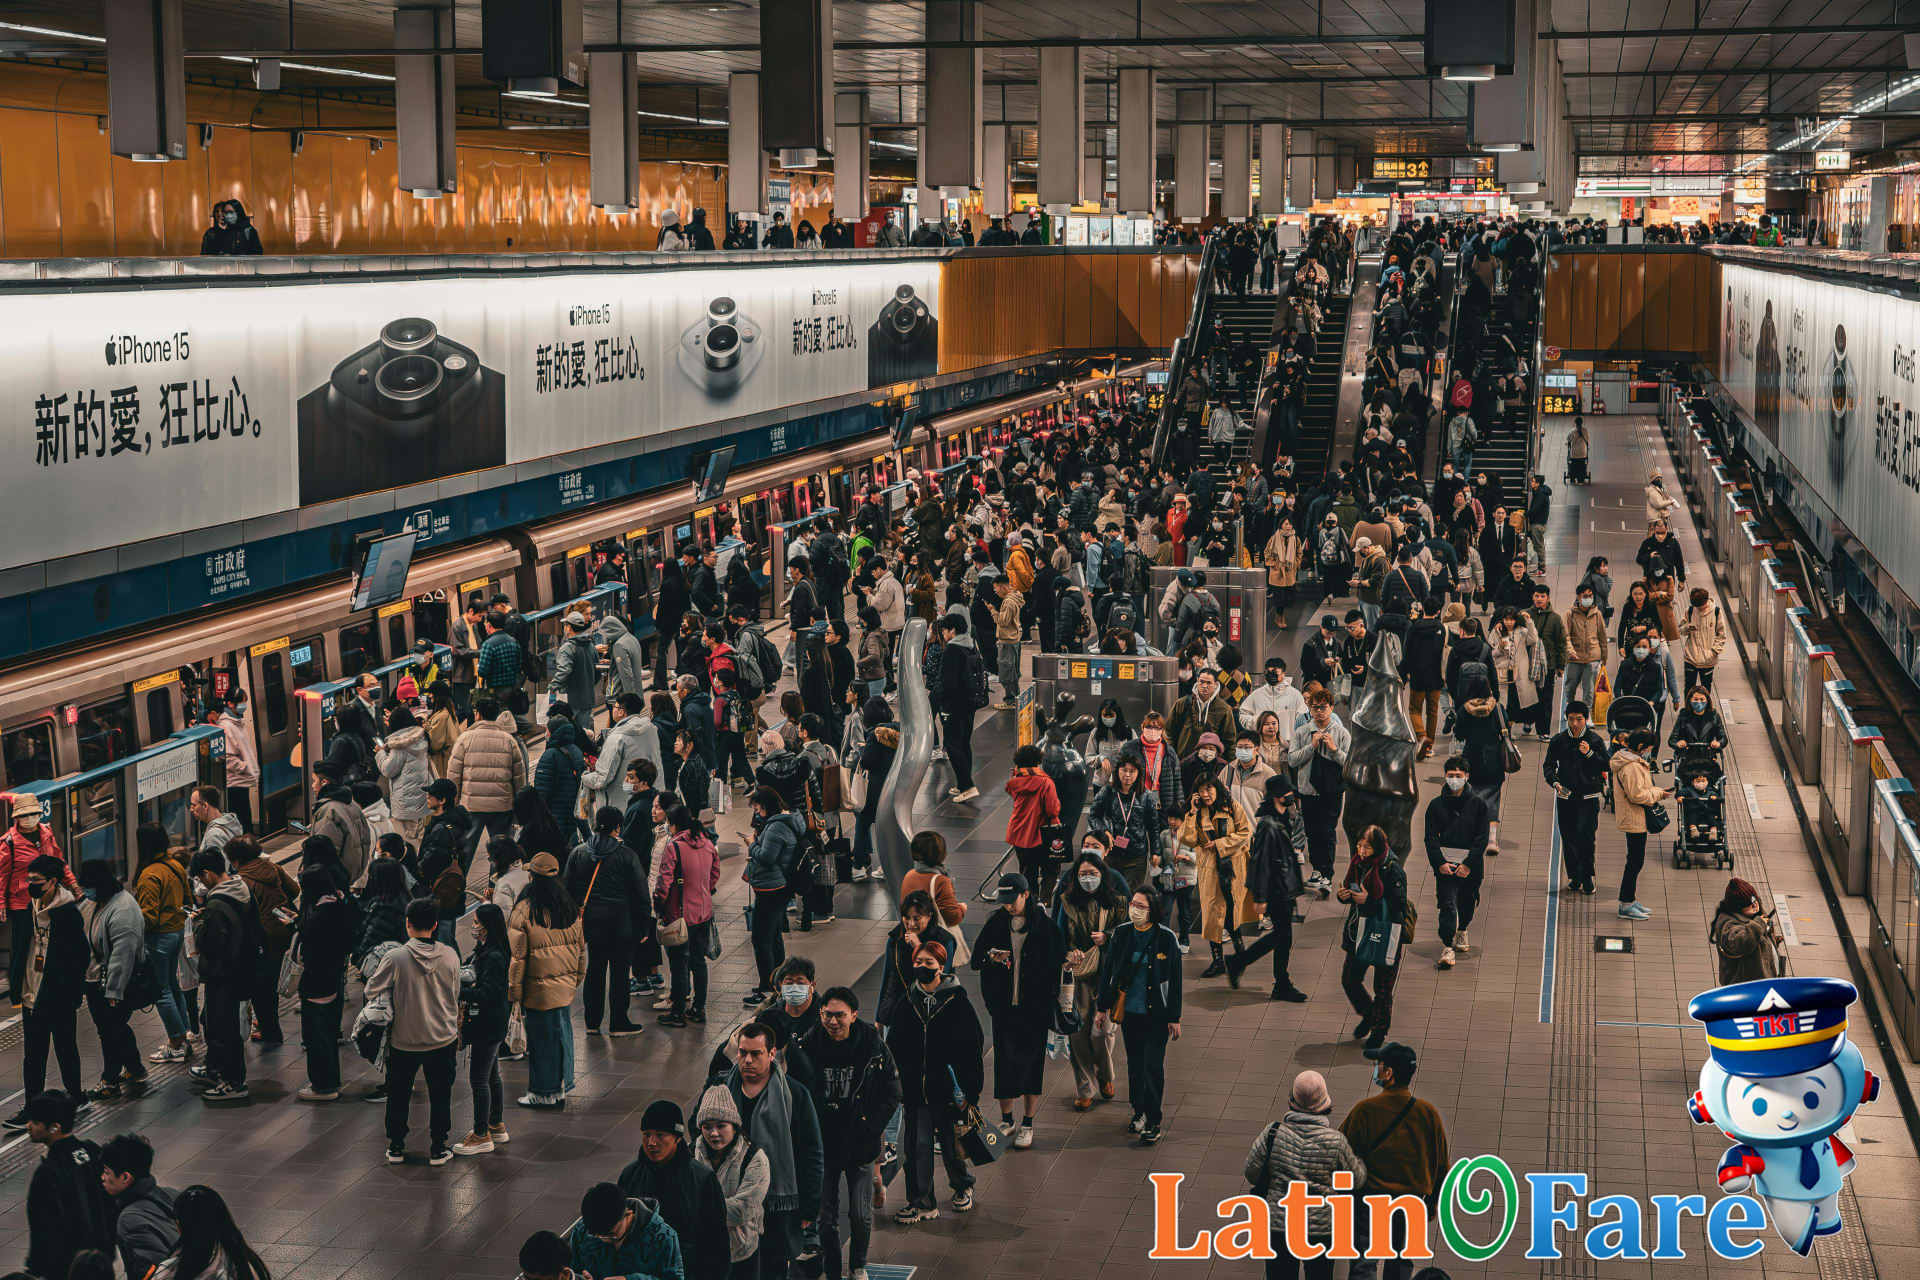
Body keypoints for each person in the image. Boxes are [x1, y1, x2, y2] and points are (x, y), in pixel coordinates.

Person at [795, 985, 899, 1280]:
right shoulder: (808, 1045)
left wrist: (869, 1127)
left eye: (840, 1015)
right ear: (821, 1013)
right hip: (823, 1144)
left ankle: (858, 1266)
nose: (833, 1021)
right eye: (828, 1015)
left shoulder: (873, 1045)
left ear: (854, 1015)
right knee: (826, 1218)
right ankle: (832, 1271)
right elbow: (797, 1091)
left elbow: (892, 1093)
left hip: (860, 1144)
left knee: (860, 1214)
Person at [888, 943, 983, 1221]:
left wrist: (970, 1093)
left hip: (950, 1092)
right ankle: (921, 1201)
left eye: (929, 962)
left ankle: (962, 1184)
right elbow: (894, 1046)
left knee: (953, 1146)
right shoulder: (907, 1003)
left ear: (941, 966)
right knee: (916, 1147)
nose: (922, 967)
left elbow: (972, 1049)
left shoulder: (959, 1003)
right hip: (917, 1093)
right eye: (918, 961)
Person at [1340, 1042, 1450, 1280]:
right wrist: (1431, 1202)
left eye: (1378, 1064)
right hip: (1410, 1205)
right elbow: (1442, 1165)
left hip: (1369, 1204)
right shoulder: (1428, 1113)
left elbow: (1342, 1151)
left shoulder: (1365, 1110)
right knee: (1400, 1264)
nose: (1376, 1069)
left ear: (1388, 1073)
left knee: (1364, 1263)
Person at [723, 1023, 824, 1279]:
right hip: (733, 1200)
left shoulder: (794, 1094)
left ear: (771, 1054)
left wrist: (808, 1209)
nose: (747, 1060)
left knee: (772, 1269)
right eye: (742, 1052)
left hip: (777, 1205)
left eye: (756, 1053)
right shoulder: (721, 1089)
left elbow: (812, 1152)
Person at [1245, 1071, 1368, 1280]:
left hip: (1279, 1225)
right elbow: (1356, 1180)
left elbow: (1251, 1172)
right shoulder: (1336, 1141)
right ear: (1325, 1103)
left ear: (1291, 1100)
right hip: (1322, 1228)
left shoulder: (1273, 1133)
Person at [969, 872, 1061, 1149]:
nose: (1008, 906)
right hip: (1003, 1007)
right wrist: (990, 957)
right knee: (1004, 1064)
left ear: (1026, 894)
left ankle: (1028, 1122)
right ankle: (1007, 1119)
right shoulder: (996, 923)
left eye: (1013, 900)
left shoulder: (1044, 926)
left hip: (1034, 1008)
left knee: (1033, 1065)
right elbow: (976, 960)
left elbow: (1058, 960)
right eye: (1004, 900)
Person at [369, 897, 463, 1165]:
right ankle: (438, 1147)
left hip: (404, 1038)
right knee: (441, 1094)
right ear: (435, 925)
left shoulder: (395, 957)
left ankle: (397, 1146)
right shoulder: (449, 955)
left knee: (398, 1094)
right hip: (442, 1037)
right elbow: (455, 993)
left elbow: (371, 990)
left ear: (407, 924)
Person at [1095, 888, 1182, 1145]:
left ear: (1152, 909)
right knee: (1135, 1065)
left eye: (1141, 906)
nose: (1135, 909)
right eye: (1133, 904)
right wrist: (1102, 1007)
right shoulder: (1121, 933)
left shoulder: (1166, 938)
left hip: (1157, 1015)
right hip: (1130, 1013)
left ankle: (1153, 1119)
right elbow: (1109, 972)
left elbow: (1174, 981)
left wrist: (1174, 1017)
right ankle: (1139, 1111)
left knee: (1152, 1066)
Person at [617, 1099, 733, 1280]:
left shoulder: (702, 1179)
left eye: (660, 1135)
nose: (651, 1142)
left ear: (678, 1138)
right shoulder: (630, 1174)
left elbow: (716, 1244)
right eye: (646, 1134)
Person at [563, 806, 649, 1037]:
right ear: (617, 827)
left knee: (595, 970)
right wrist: (642, 926)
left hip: (592, 925)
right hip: (623, 926)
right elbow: (641, 895)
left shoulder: (579, 852)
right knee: (620, 974)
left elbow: (567, 890)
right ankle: (619, 1022)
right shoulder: (627, 855)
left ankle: (592, 1022)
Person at [508, 853, 585, 1109]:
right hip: (563, 986)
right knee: (560, 1038)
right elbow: (581, 950)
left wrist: (515, 993)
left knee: (541, 1041)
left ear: (532, 877)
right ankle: (559, 1087)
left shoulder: (525, 909)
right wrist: (573, 980)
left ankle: (542, 1092)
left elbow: (517, 958)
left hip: (537, 988)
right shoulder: (569, 907)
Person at [1227, 776, 1309, 1001]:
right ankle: (1273, 979)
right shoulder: (1268, 826)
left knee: (1282, 937)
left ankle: (1243, 964)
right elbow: (1260, 862)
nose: (1292, 796)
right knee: (1282, 937)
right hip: (1276, 890)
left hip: (1284, 887)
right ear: (1277, 797)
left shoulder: (1281, 819)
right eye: (1288, 793)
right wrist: (1260, 896)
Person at [186, 849, 258, 1103]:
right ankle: (217, 1068)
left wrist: (197, 923)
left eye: (199, 878)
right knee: (213, 1020)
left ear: (207, 874)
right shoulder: (242, 890)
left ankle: (233, 1082)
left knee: (223, 1027)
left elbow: (210, 944)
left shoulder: (216, 905)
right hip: (241, 968)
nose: (200, 883)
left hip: (222, 975)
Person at [448, 902, 513, 1156]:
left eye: (476, 922)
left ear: (487, 926)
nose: (473, 926)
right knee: (492, 1075)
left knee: (479, 1079)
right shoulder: (488, 949)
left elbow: (488, 993)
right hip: (492, 1022)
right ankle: (495, 1124)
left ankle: (481, 1133)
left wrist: (459, 992)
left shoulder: (495, 956)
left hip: (488, 1023)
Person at [79, 860, 147, 1101]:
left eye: (88, 887)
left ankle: (110, 1080)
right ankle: (135, 1067)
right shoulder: (94, 902)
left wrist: (114, 992)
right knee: (113, 1027)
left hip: (114, 984)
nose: (85, 892)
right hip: (95, 978)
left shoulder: (123, 910)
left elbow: (123, 955)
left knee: (109, 1031)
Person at [23, 1088, 109, 1279]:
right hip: (98, 1258)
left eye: (35, 1122)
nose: (28, 1126)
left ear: (55, 1127)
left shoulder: (48, 1173)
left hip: (64, 1267)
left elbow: (44, 1225)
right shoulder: (91, 1152)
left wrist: (37, 1267)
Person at [293, 844, 356, 1102]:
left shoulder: (320, 916)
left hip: (317, 980)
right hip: (333, 977)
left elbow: (311, 950)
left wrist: (297, 930)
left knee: (316, 1033)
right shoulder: (339, 904)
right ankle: (330, 1081)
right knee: (328, 1031)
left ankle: (323, 1085)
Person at [1337, 824, 1405, 1052]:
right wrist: (1345, 896)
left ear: (1377, 847)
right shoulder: (1357, 863)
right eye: (1359, 845)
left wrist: (1370, 901)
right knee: (1349, 979)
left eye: (1366, 846)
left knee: (1383, 989)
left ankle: (1379, 1030)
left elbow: (1398, 905)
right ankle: (1369, 1013)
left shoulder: (1391, 868)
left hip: (1386, 935)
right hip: (1358, 931)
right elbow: (1351, 890)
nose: (1361, 850)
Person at [695, 1085, 774, 1280]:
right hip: (701, 1252)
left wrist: (700, 1206)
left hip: (740, 1254)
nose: (713, 1133)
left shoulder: (755, 1159)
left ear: (734, 1125)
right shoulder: (691, 1154)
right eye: (707, 1127)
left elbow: (743, 1210)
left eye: (721, 1125)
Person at [2, 793, 74, 1004]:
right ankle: (21, 987)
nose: (30, 818)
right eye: (26, 815)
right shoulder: (8, 842)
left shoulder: (46, 833)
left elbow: (58, 862)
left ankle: (43, 977)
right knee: (24, 944)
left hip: (48, 898)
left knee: (46, 939)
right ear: (17, 818)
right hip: (21, 902)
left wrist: (72, 884)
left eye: (34, 814)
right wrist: (1, 904)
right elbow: (2, 875)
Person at [226, 836, 297, 1048]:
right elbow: (294, 891)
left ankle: (270, 1031)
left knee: (261, 988)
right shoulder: (273, 867)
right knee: (270, 982)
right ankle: (268, 1024)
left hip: (262, 938)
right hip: (281, 931)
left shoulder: (241, 881)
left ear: (236, 861)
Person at [656, 804, 721, 1027]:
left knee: (679, 965)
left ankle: (677, 1013)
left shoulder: (674, 847)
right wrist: (702, 890)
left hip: (679, 914)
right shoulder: (708, 843)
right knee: (698, 961)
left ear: (673, 825)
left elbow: (664, 882)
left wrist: (658, 905)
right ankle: (698, 1009)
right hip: (703, 914)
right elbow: (714, 875)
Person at [1423, 757, 1490, 971]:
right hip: (1446, 866)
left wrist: (1469, 864)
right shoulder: (1435, 805)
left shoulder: (1478, 805)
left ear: (1466, 777)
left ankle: (1463, 929)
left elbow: (1482, 838)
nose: (1454, 780)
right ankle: (1447, 945)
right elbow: (1430, 837)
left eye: (1458, 776)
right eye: (1450, 776)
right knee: (1447, 905)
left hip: (1471, 866)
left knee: (1467, 902)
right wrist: (1439, 863)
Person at [448, 694, 526, 871]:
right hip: (503, 806)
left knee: (465, 849)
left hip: (471, 805)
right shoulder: (509, 740)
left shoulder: (464, 739)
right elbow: (519, 777)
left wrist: (454, 803)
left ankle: (459, 887)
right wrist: (519, 806)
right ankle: (496, 888)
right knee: (501, 850)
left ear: (478, 715)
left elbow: (454, 775)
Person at [744, 787, 807, 1003]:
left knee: (761, 940)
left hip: (772, 888)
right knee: (774, 937)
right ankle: (779, 981)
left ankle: (767, 988)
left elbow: (767, 857)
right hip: (780, 886)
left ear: (767, 806)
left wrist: (752, 845)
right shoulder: (790, 819)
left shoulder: (776, 827)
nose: (756, 813)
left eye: (758, 808)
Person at [1543, 701, 1610, 897]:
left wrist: (1589, 753)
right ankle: (1575, 876)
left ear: (1586, 719)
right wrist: (1555, 783)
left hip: (1588, 796)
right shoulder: (1558, 740)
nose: (1574, 724)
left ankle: (1587, 876)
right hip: (1566, 796)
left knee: (1586, 836)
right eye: (1571, 719)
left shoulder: (1594, 740)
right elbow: (1548, 766)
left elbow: (1606, 764)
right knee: (1568, 836)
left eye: (1579, 720)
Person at [1289, 689, 1350, 893]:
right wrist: (1310, 747)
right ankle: (1316, 869)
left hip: (1332, 791)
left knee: (1328, 832)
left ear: (1331, 708)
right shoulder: (1302, 732)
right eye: (1315, 707)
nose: (1319, 711)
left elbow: (1350, 764)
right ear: (1310, 709)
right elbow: (1292, 759)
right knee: (1312, 832)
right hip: (1308, 790)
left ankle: (1327, 874)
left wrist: (1334, 750)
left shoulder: (1341, 733)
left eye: (1323, 707)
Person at [566, 1181, 686, 1280]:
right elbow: (571, 1270)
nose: (604, 1240)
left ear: (627, 1214)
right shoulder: (581, 1231)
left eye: (611, 1235)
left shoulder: (664, 1236)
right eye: (597, 1235)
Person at [100, 1133, 180, 1279]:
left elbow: (153, 1272)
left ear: (125, 1177)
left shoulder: (131, 1219)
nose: (103, 1178)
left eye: (106, 1172)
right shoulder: (172, 1194)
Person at [1610, 729, 1670, 922]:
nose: (1650, 752)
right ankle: (1625, 905)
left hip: (1636, 817)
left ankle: (1630, 900)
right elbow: (1637, 795)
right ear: (1640, 747)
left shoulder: (1629, 761)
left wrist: (1655, 790)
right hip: (1634, 818)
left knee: (1635, 861)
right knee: (1635, 862)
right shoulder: (1632, 767)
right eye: (1649, 748)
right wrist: (1658, 793)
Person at [936, 614, 985, 801]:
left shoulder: (952, 649)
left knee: (953, 743)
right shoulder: (971, 645)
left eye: (945, 631)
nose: (944, 635)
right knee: (964, 742)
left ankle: (967, 786)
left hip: (954, 704)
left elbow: (948, 682)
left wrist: (937, 696)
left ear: (952, 630)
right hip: (970, 702)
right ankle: (963, 782)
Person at [1003, 745, 1061, 901]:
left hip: (1020, 833)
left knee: (1028, 872)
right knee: (1051, 869)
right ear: (1037, 761)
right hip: (1042, 833)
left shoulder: (1014, 780)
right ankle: (1045, 900)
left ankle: (1032, 903)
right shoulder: (1045, 782)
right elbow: (1052, 811)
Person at [376, 705, 435, 848]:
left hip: (406, 802)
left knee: (406, 842)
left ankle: (411, 867)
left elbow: (388, 770)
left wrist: (379, 753)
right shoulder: (421, 738)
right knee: (418, 835)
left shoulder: (400, 746)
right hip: (421, 798)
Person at [1711, 876, 1784, 983]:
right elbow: (1739, 944)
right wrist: (1758, 926)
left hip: (1764, 981)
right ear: (1738, 907)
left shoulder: (1753, 915)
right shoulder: (1728, 923)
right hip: (1747, 987)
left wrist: (1772, 942)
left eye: (1755, 900)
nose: (1755, 905)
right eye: (1749, 905)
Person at [1680, 586, 1727, 691]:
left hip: (1708, 660)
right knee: (1688, 687)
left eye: (1701, 605)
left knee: (1706, 688)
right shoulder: (1690, 611)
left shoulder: (1716, 612)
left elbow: (1722, 634)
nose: (1700, 608)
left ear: (1706, 600)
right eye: (1697, 606)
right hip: (1690, 658)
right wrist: (1687, 627)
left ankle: (1706, 707)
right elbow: (1681, 630)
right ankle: (1688, 707)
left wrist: (1713, 652)